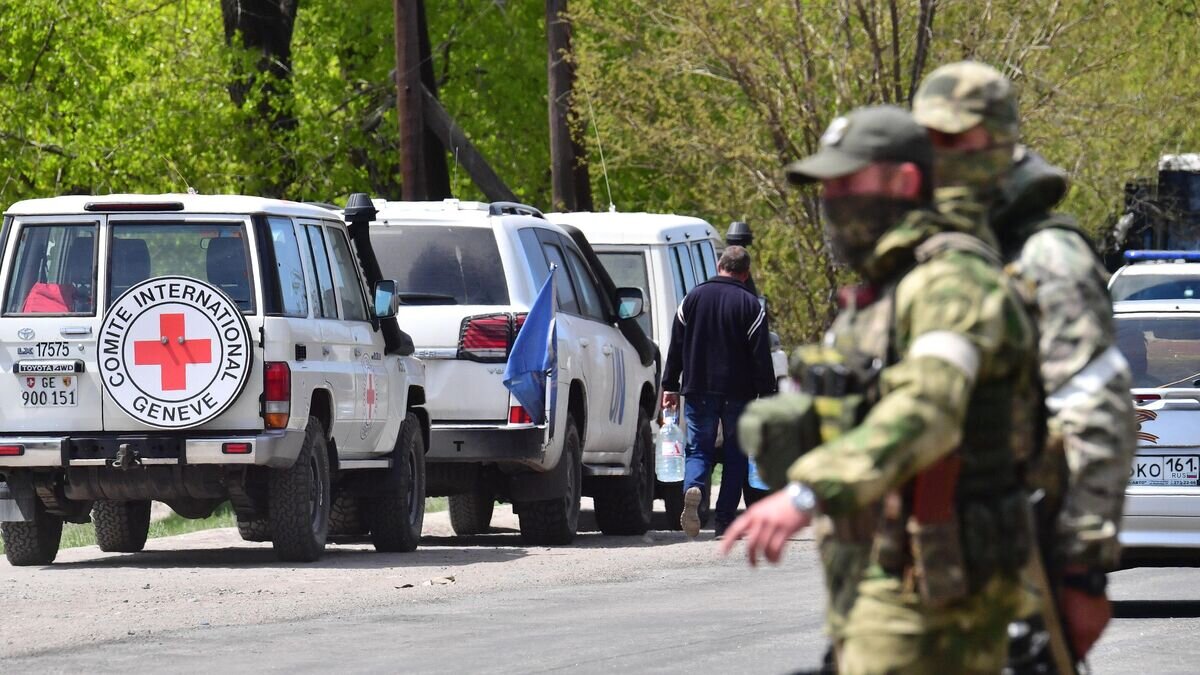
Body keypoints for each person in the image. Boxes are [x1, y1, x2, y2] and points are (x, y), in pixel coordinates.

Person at [722, 104, 1039, 673]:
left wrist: (806, 494)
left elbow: (931, 405)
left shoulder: (951, 284)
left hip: (937, 590)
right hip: (875, 581)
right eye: (826, 186)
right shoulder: (878, 296)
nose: (832, 200)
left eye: (848, 182)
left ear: (905, 181)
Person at [913, 61, 1138, 668]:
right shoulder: (937, 253)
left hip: (1018, 555)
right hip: (931, 553)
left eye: (960, 141)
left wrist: (1085, 573)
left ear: (1002, 142)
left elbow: (1096, 406)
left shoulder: (1045, 255)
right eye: (933, 142)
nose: (944, 158)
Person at [661, 245, 777, 539]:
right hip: (739, 392)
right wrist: (767, 393)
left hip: (698, 388)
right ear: (746, 273)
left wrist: (669, 386)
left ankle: (694, 488)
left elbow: (676, 346)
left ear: (718, 265)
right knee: (737, 454)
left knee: (698, 448)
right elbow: (760, 356)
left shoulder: (693, 299)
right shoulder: (751, 305)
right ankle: (725, 521)